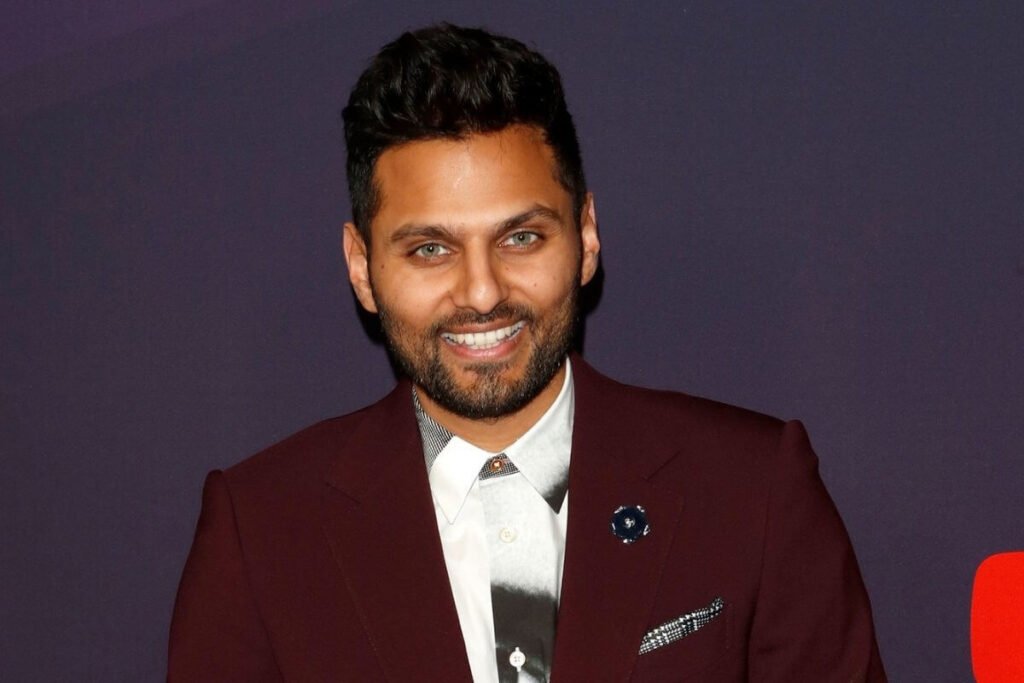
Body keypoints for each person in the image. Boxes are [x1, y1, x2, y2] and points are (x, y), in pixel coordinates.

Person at [168, 23, 886, 682]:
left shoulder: (751, 489)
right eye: (429, 249)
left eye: (521, 238)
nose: (481, 292)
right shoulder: (261, 532)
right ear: (361, 267)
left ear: (587, 235)